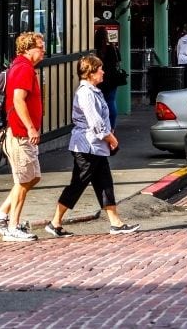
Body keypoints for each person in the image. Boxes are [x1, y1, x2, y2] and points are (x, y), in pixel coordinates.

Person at [45, 54, 139, 238]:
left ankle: (116, 223)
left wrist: (108, 138)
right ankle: (55, 222)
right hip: (87, 146)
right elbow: (95, 122)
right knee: (78, 184)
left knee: (104, 183)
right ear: (90, 72)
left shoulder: (93, 90)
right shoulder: (86, 93)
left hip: (95, 146)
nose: (103, 72)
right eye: (100, 69)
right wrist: (111, 139)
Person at [0, 31, 45, 242]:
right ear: (27, 49)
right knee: (23, 180)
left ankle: (0, 215)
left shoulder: (24, 67)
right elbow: (19, 100)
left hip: (23, 134)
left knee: (33, 177)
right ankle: (12, 226)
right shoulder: (23, 69)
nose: (43, 50)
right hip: (20, 134)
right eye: (40, 46)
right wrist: (30, 127)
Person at [94, 26, 122, 129]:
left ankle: (101, 126)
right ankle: (112, 127)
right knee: (111, 101)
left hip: (98, 79)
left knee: (98, 103)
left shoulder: (95, 50)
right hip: (112, 79)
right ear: (107, 36)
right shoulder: (112, 47)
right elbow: (119, 60)